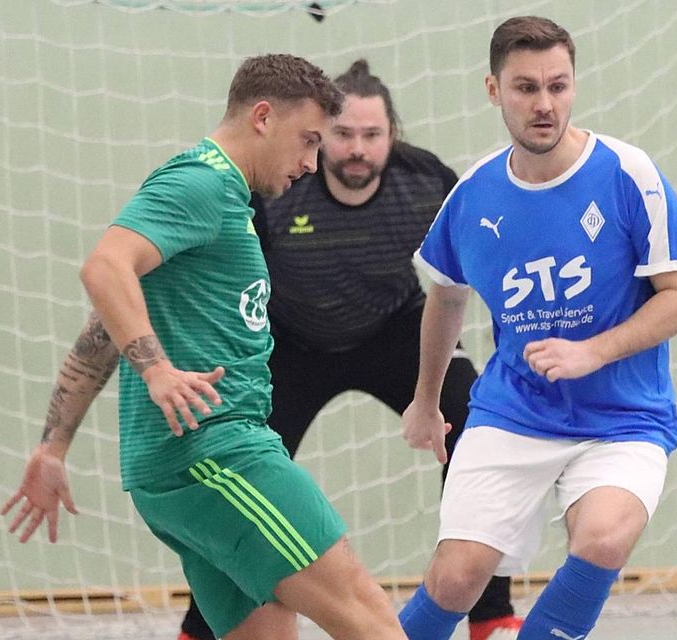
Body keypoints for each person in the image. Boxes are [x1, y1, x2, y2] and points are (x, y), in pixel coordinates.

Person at [0, 54, 408, 640]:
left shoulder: (223, 199)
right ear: (263, 116)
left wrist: (54, 447)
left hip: (172, 470)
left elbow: (102, 329)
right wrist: (159, 370)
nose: (312, 163)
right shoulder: (201, 182)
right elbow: (104, 266)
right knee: (369, 616)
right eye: (309, 140)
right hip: (217, 453)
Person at [177, 58, 523, 640]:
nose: (357, 149)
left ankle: (490, 613)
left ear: (393, 136)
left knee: (474, 424)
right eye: (343, 135)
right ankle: (204, 624)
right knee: (239, 476)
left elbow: (479, 266)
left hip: (394, 330)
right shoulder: (283, 186)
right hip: (291, 340)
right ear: (319, 137)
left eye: (372, 135)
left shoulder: (427, 182)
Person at [397, 16, 677, 640]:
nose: (544, 104)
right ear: (494, 90)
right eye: (526, 88)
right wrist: (425, 402)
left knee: (603, 537)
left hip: (623, 415)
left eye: (558, 86)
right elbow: (446, 298)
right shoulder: (473, 194)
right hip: (514, 412)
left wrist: (595, 351)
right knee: (456, 579)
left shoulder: (628, 174)